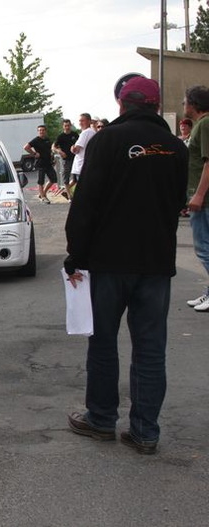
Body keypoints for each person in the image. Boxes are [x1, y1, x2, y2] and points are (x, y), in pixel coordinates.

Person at [64, 76, 187, 455]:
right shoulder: (174, 147)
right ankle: (145, 431)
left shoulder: (107, 141)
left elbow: (86, 204)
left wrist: (76, 255)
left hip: (109, 261)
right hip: (155, 263)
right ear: (155, 105)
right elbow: (175, 203)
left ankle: (101, 419)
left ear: (121, 104)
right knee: (151, 348)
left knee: (103, 342)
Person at [183, 86, 209, 312]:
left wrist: (199, 194)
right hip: (202, 198)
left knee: (204, 248)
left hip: (206, 200)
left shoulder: (205, 124)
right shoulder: (202, 125)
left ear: (193, 104)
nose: (184, 106)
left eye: (185, 102)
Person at [23, 125, 57, 203]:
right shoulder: (36, 140)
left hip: (48, 163)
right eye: (40, 130)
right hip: (40, 163)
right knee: (41, 181)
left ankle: (43, 193)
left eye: (43, 130)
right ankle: (43, 197)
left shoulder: (47, 140)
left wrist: (53, 158)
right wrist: (34, 153)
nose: (41, 131)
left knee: (53, 179)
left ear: (45, 131)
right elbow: (26, 147)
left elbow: (50, 150)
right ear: (38, 131)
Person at [68, 113, 97, 197]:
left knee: (83, 191)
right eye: (79, 121)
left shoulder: (86, 133)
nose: (80, 123)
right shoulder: (92, 132)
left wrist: (72, 148)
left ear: (88, 121)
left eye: (82, 120)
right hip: (87, 164)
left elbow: (76, 149)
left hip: (81, 165)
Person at [53, 119, 79, 200]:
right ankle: (69, 196)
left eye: (68, 125)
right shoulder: (61, 136)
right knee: (66, 177)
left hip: (76, 159)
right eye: (65, 126)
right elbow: (54, 147)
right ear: (63, 126)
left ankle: (65, 191)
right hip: (66, 159)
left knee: (75, 178)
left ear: (70, 125)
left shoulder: (75, 134)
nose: (67, 127)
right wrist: (60, 151)